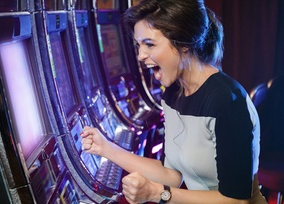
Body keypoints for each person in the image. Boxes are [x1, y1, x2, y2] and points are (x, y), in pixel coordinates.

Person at [81, 0, 267, 203]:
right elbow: (171, 174)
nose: (141, 55)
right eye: (138, 45)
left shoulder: (227, 100)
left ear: (184, 43)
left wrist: (155, 193)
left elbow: (236, 201)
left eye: (149, 44)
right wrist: (106, 148)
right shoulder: (173, 94)